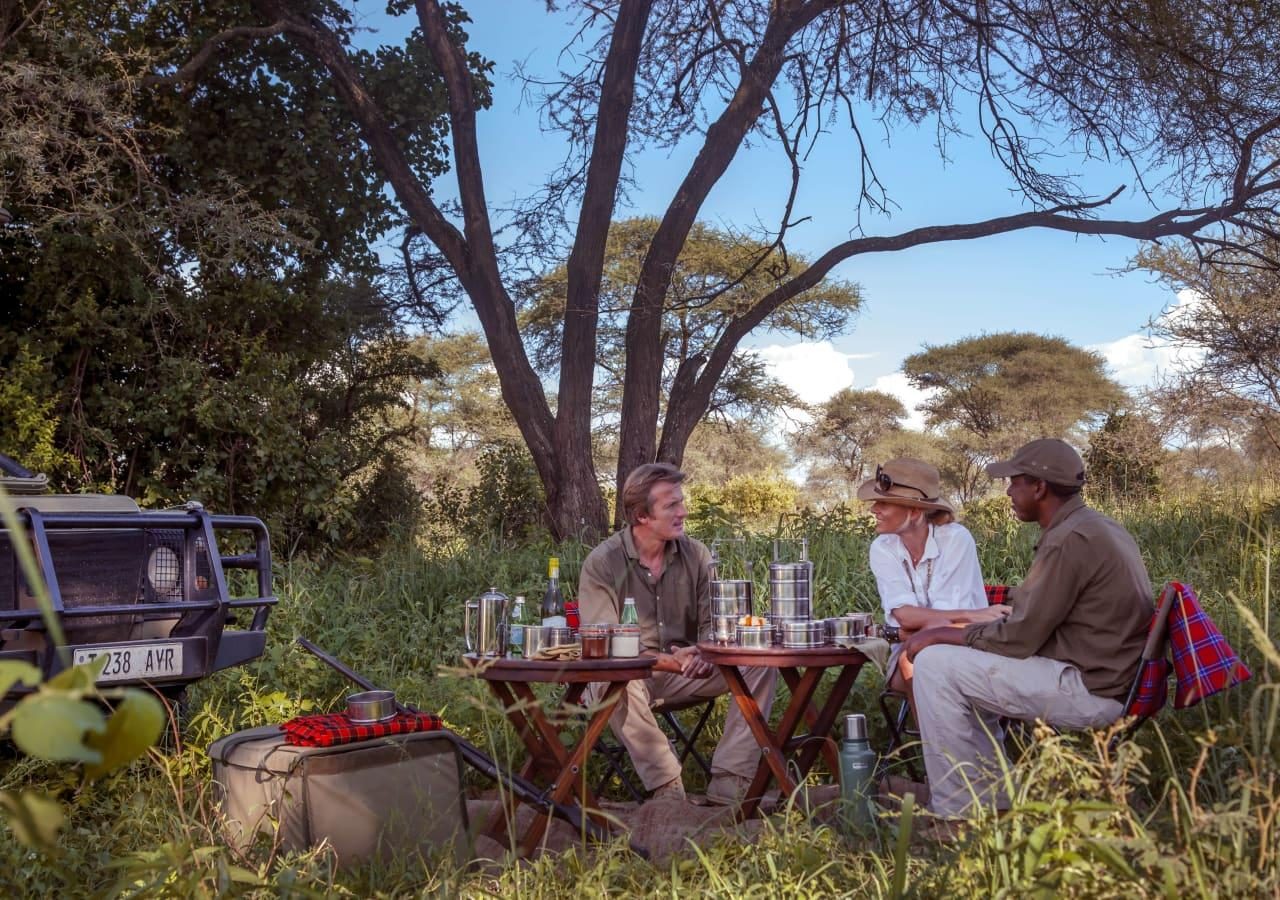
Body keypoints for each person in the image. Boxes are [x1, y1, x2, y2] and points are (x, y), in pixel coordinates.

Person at [900, 438, 1153, 824]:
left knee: (935, 664)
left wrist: (935, 634)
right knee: (959, 664)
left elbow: (1019, 639)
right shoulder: (1094, 527)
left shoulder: (1070, 539)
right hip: (1108, 675)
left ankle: (959, 814)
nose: (1008, 491)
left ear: (1039, 487)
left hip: (1090, 687)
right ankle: (992, 800)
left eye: (1016, 481)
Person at [578, 463, 777, 805]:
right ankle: (668, 786)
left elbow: (715, 627)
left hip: (689, 671)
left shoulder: (696, 554)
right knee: (613, 680)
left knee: (759, 662)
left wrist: (705, 652)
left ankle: (731, 779)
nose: (683, 512)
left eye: (681, 502)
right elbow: (605, 645)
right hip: (631, 674)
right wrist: (669, 661)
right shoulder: (603, 563)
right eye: (671, 505)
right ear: (641, 515)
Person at [857, 458, 1006, 711]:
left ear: (914, 512)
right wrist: (973, 614)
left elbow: (944, 628)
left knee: (919, 661)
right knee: (913, 660)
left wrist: (910, 627)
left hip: (964, 642)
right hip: (909, 649)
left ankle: (944, 747)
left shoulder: (956, 539)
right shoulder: (882, 547)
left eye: (883, 502)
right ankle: (941, 748)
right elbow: (905, 616)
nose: (874, 510)